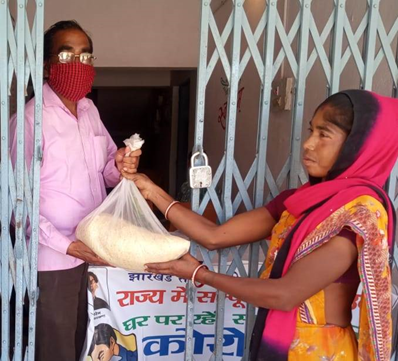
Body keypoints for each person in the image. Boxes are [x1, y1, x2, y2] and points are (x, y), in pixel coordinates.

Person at [124, 90, 398, 360]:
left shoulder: (358, 215)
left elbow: (285, 295)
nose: (308, 144)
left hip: (321, 350)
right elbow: (215, 236)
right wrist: (151, 190)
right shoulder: (298, 201)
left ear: (360, 145)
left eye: (324, 134)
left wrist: (202, 275)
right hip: (280, 339)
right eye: (311, 131)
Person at [9, 20, 141, 361]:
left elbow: (108, 172)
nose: (78, 64)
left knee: (90, 342)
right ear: (46, 64)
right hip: (53, 259)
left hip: (93, 250)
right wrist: (69, 246)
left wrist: (122, 163)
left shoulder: (88, 110)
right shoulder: (28, 120)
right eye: (67, 54)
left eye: (86, 56)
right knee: (56, 347)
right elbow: (15, 204)